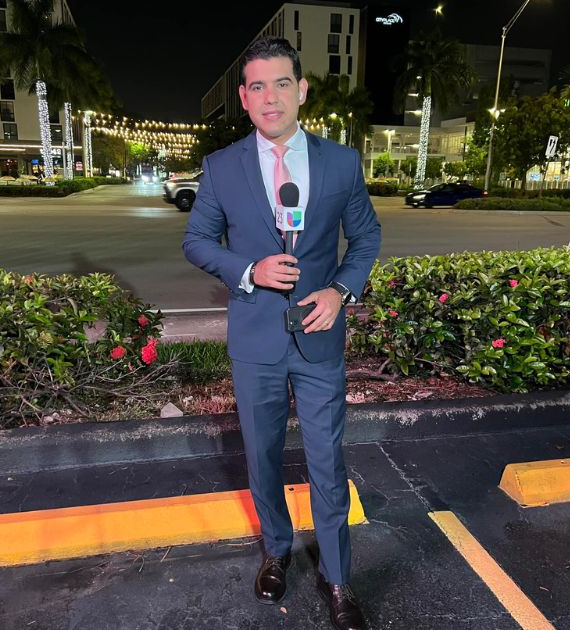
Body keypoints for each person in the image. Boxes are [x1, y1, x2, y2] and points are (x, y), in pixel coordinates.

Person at [182, 37, 381, 630]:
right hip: (256, 342)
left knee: (327, 460)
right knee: (264, 458)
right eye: (259, 87)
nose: (271, 97)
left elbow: (365, 239)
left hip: (319, 337)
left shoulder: (341, 162)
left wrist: (340, 291)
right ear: (244, 98)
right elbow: (196, 241)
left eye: (282, 84)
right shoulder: (221, 168)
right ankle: (275, 551)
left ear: (303, 90)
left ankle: (339, 578)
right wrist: (249, 270)